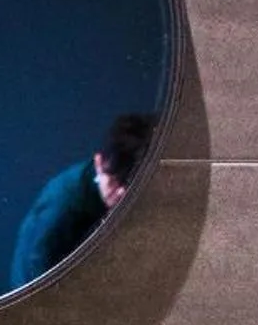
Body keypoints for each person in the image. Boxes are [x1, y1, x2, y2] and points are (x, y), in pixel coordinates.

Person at [8, 114, 154, 288]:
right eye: (115, 181)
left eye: (131, 183)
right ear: (99, 162)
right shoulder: (63, 204)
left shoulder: (110, 181)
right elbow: (34, 278)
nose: (122, 192)